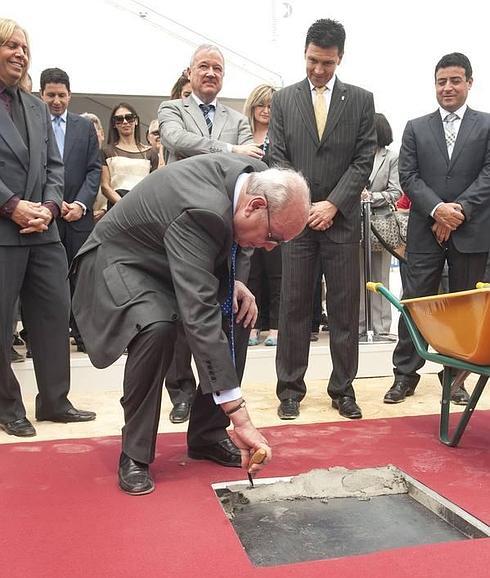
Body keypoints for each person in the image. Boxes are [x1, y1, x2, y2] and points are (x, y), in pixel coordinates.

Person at [72, 153, 310, 495]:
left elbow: (208, 259)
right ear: (254, 206)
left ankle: (207, 435)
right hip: (122, 262)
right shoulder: (202, 210)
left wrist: (233, 285)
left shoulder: (258, 179)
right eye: (273, 237)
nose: (271, 248)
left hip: (173, 259)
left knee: (238, 310)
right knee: (157, 326)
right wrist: (239, 416)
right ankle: (135, 453)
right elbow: (199, 314)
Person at [269, 18, 376, 421]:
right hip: (296, 223)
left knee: (346, 309)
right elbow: (277, 158)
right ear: (305, 53)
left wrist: (332, 204)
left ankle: (343, 389)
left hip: (342, 222)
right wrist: (303, 206)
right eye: (313, 60)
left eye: (327, 63)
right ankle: (290, 389)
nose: (318, 70)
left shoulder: (361, 100)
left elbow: (363, 159)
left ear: (340, 58)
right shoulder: (283, 100)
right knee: (294, 306)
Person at [158, 44, 264, 424]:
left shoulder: (237, 119)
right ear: (189, 72)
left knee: (216, 315)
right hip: (180, 227)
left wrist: (237, 151)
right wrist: (229, 149)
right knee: (180, 315)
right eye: (203, 66)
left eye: (217, 68)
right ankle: (180, 391)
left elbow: (250, 164)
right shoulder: (172, 110)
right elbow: (177, 141)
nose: (210, 73)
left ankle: (211, 405)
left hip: (222, 230)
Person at [0, 18, 95, 438]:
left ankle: (55, 401)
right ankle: (7, 406)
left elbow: (54, 166)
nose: (19, 53)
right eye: (10, 46)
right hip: (4, 231)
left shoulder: (36, 107)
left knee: (55, 316)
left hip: (44, 231)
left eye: (23, 47)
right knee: (3, 325)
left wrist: (51, 206)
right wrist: (11, 204)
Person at [384, 52, 490, 405]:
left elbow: (488, 175)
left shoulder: (487, 125)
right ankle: (404, 375)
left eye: (455, 80)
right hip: (424, 229)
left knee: (465, 306)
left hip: (471, 230)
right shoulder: (415, 127)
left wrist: (457, 210)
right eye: (441, 81)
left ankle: (456, 378)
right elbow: (408, 176)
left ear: (469, 83)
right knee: (415, 301)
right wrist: (437, 210)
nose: (447, 87)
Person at [40, 67, 101, 353]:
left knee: (81, 276)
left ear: (70, 95)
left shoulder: (84, 127)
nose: (56, 101)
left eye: (61, 95)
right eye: (50, 95)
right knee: (46, 279)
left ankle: (82, 333)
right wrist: (50, 203)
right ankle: (44, 336)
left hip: (78, 216)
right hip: (44, 216)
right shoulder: (34, 124)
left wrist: (79, 204)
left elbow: (93, 170)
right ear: (41, 95)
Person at [243, 84, 282, 347]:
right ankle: (253, 325)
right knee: (251, 271)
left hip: (276, 210)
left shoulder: (280, 136)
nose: (265, 110)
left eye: (270, 105)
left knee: (276, 271)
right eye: (261, 105)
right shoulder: (243, 136)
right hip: (246, 212)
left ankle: (277, 328)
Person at [359, 113, 402, 337]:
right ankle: (359, 325)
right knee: (358, 277)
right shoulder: (354, 155)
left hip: (382, 222)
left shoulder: (391, 157)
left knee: (381, 275)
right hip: (356, 222)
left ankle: (382, 327)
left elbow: (396, 191)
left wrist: (371, 196)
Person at [100, 102, 159, 210]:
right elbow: (105, 186)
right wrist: (124, 205)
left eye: (129, 118)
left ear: (136, 121)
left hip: (143, 207)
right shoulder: (106, 152)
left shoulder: (151, 153)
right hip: (116, 208)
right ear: (114, 124)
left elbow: (154, 186)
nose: (125, 122)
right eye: (119, 119)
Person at [80, 112, 108, 223]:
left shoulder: (110, 158)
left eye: (94, 133)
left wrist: (105, 210)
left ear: (102, 134)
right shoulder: (70, 162)